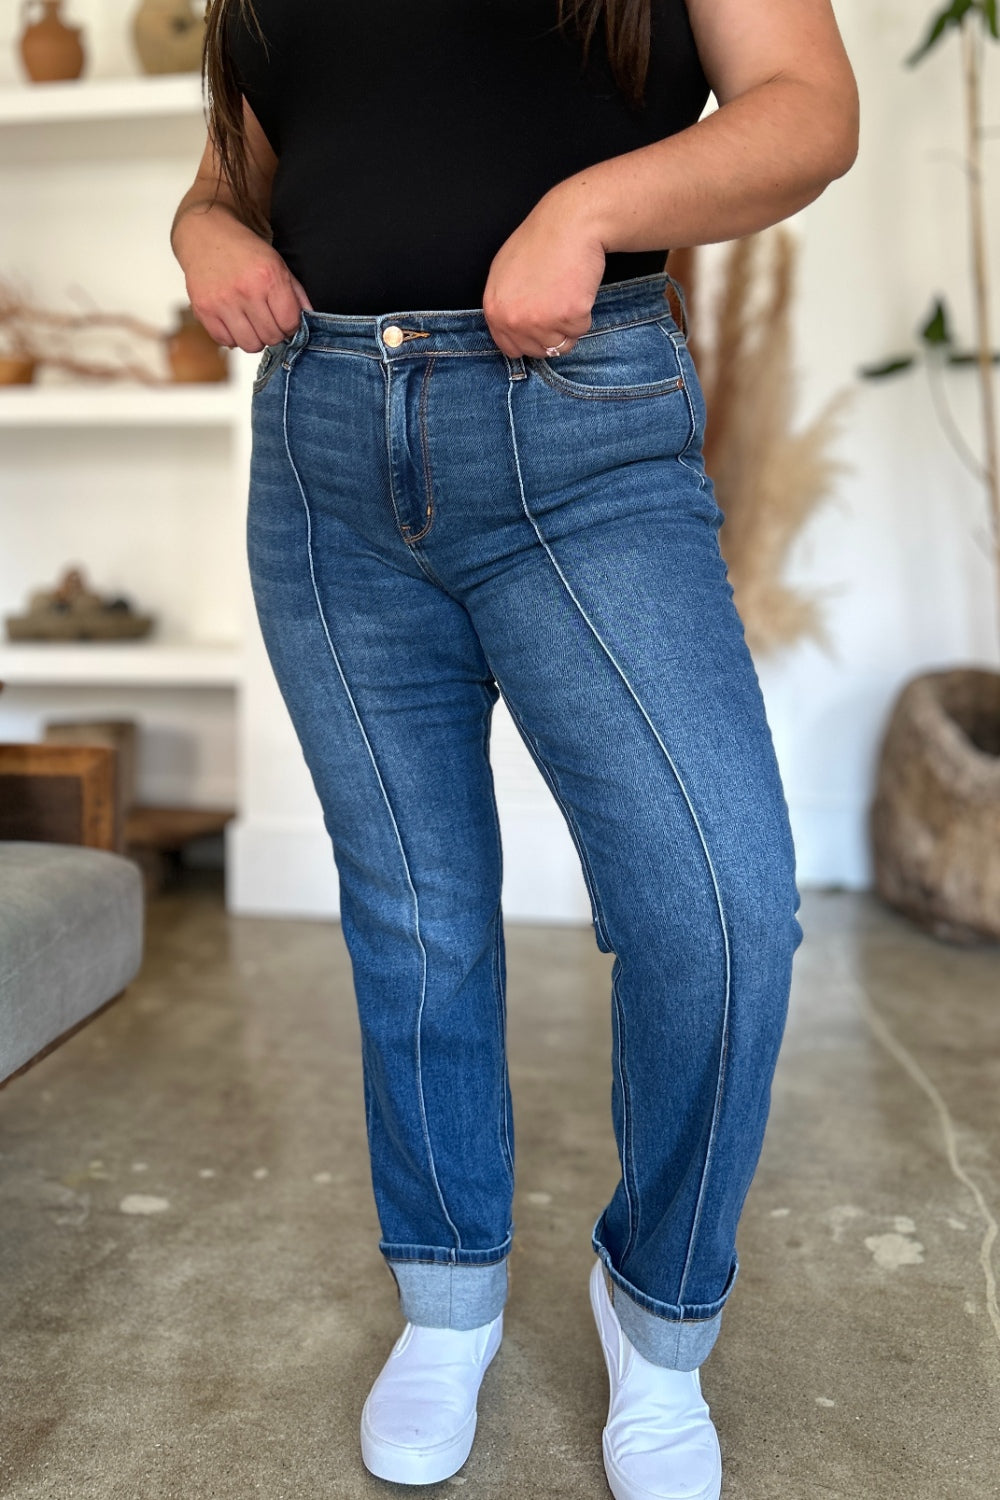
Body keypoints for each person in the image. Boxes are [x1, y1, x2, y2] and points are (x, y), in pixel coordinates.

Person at [171, 3, 858, 1495]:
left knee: (720, 910)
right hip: (324, 446)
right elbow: (255, 157)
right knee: (414, 920)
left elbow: (807, 109)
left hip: (582, 427)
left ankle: (656, 1313)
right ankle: (448, 1299)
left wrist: (589, 207)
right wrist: (204, 224)